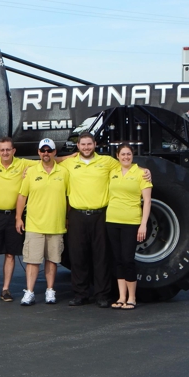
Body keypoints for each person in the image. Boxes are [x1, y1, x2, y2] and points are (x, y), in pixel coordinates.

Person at [59, 132, 151, 308]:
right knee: (78, 256)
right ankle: (80, 294)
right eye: (83, 144)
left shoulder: (107, 162)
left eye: (89, 144)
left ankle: (102, 295)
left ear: (95, 145)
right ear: (77, 146)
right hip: (77, 215)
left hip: (101, 215)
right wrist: (66, 156)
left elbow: (127, 165)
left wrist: (144, 170)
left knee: (101, 256)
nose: (86, 147)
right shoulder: (70, 163)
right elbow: (50, 161)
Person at [0, 137, 38, 303]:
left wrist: (73, 156)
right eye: (2, 150)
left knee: (10, 255)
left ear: (14, 151)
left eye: (8, 149)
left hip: (14, 216)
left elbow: (48, 160)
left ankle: (5, 289)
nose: (5, 152)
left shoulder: (23, 164)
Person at [15, 138, 69, 306]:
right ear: (38, 152)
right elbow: (22, 195)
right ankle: (29, 292)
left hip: (56, 224)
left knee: (52, 260)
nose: (46, 153)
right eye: (43, 150)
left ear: (54, 152)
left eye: (49, 150)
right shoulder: (31, 172)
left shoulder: (64, 173)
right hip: (34, 224)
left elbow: (68, 198)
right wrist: (18, 218)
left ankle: (50, 291)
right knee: (32, 261)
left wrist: (67, 218)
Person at [106, 144, 152, 310]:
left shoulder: (141, 173)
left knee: (127, 259)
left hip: (131, 222)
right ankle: (121, 297)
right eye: (123, 154)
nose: (126, 157)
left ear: (132, 156)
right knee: (118, 260)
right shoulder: (113, 172)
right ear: (117, 156)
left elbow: (147, 201)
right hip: (112, 220)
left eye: (128, 154)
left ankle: (132, 297)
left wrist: (143, 225)